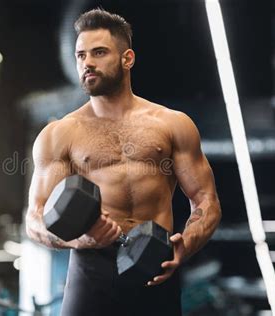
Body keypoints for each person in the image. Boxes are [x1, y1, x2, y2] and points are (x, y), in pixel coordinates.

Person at [25, 8, 221, 316]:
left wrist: (188, 243)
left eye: (99, 52)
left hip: (155, 265)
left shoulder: (172, 124)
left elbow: (206, 200)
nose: (86, 62)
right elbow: (34, 218)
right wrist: (77, 239)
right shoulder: (59, 134)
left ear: (127, 59)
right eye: (80, 55)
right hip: (91, 267)